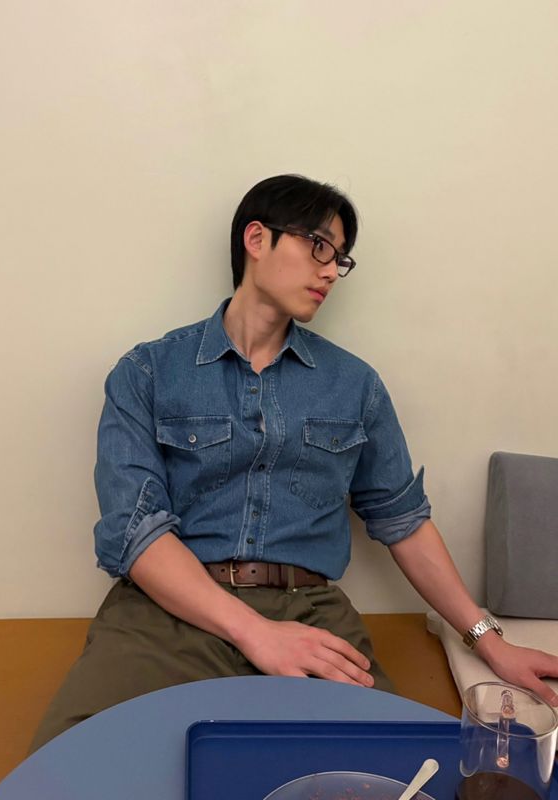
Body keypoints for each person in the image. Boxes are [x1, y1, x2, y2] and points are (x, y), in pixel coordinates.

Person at [30, 174, 558, 751]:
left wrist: (490, 641)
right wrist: (255, 632)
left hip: (311, 615)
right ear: (257, 239)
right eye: (319, 247)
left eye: (340, 258)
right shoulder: (148, 373)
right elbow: (137, 533)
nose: (331, 271)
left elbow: (403, 521)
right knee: (74, 763)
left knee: (386, 768)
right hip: (164, 615)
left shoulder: (355, 385)